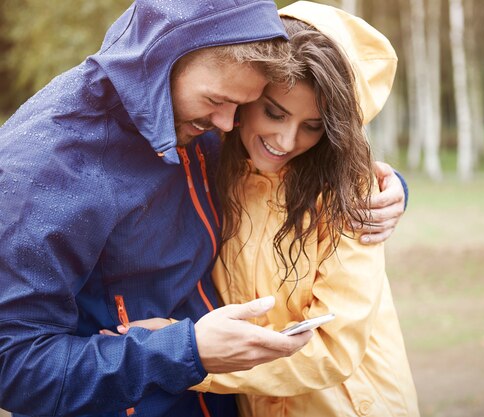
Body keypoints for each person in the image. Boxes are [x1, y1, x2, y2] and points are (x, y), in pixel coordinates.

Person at [0, 1, 407, 416]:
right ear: (164, 56)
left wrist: (390, 190)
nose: (228, 125)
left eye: (243, 104)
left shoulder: (204, 121)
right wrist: (183, 351)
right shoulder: (42, 168)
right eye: (220, 101)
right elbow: (13, 366)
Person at [119, 2, 418, 416]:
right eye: (274, 112)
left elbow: (333, 351)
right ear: (247, 95)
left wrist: (189, 356)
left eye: (314, 126)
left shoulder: (350, 195)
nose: (286, 139)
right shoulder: (215, 160)